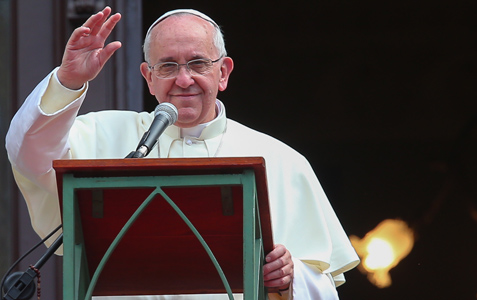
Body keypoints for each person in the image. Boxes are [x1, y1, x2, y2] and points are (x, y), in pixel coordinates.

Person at [5, 6, 359, 300]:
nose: (184, 79)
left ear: (223, 72)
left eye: (198, 63)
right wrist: (68, 81)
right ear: (148, 77)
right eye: (168, 66)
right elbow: (28, 152)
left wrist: (291, 278)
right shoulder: (103, 135)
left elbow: (324, 289)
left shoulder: (283, 161)